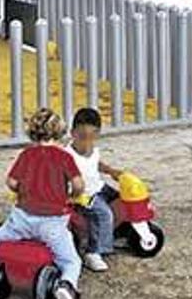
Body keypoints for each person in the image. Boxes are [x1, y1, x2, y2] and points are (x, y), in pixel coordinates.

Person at [0, 109, 85, 299]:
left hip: (21, 219)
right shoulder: (64, 157)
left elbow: (11, 182)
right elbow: (79, 184)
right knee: (71, 260)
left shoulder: (26, 155)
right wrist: (72, 195)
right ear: (59, 131)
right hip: (52, 222)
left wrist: (21, 190)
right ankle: (67, 285)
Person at [67, 108, 126, 272]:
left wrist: (111, 171)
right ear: (72, 133)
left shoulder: (94, 150)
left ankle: (120, 231)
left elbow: (97, 164)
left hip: (99, 187)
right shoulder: (68, 155)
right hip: (83, 196)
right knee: (104, 213)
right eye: (82, 136)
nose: (87, 141)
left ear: (98, 135)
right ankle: (94, 252)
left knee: (123, 200)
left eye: (92, 136)